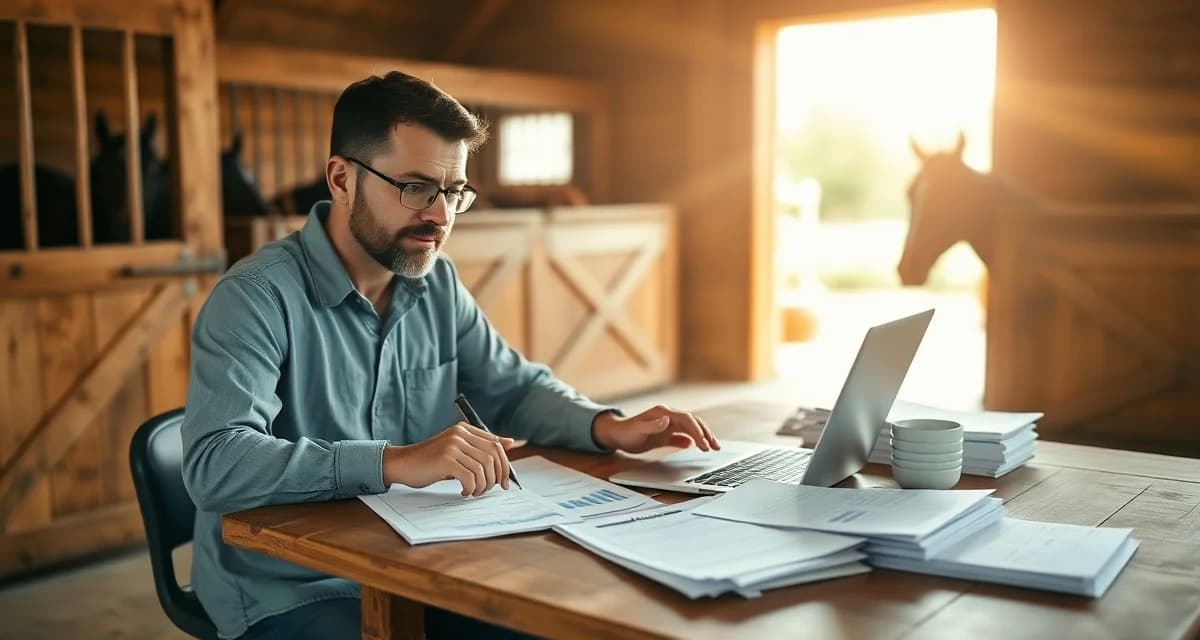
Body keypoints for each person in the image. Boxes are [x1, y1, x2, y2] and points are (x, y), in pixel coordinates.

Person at [181, 71, 720, 640]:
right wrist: (393, 461)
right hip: (289, 586)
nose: (440, 217)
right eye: (415, 188)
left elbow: (512, 388)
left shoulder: (436, 282)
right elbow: (216, 463)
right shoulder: (255, 296)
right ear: (341, 180)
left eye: (453, 192)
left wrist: (607, 426)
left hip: (420, 561)